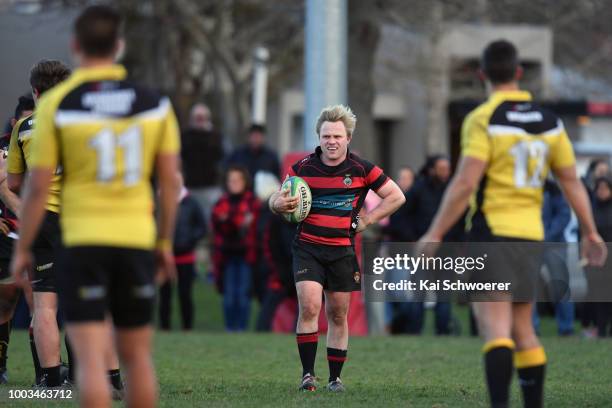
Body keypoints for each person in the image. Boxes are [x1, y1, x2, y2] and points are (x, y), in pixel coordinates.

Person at [418, 40, 605, 408]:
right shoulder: (549, 122)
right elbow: (570, 181)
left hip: (493, 234)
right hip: (530, 237)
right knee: (524, 331)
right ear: (519, 73)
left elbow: (466, 181)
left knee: (496, 329)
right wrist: (590, 230)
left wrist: (436, 232)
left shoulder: (484, 119)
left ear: (482, 75)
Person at [10, 5, 180, 407]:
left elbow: (34, 188)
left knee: (86, 359)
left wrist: (22, 246)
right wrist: (166, 243)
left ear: (76, 46)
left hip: (81, 236)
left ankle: (51, 379)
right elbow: (170, 183)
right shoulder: (153, 103)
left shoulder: (56, 108)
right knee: (137, 357)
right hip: (135, 236)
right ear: (118, 47)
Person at [268, 105, 405, 392]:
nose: (331, 141)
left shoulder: (361, 169)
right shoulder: (303, 168)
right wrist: (276, 204)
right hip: (308, 248)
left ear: (348, 138)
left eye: (337, 136)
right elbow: (278, 198)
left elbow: (396, 196)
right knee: (309, 306)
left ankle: (335, 379)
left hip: (342, 250)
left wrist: (368, 218)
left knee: (338, 314)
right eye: (326, 135)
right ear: (319, 137)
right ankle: (307, 375)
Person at [8, 60, 72, 389]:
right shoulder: (84, 124)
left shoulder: (25, 127)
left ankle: (50, 380)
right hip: (82, 217)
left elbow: (14, 183)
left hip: (43, 218)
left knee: (45, 303)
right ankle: (94, 374)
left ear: (35, 91)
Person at [402, 155, 459, 335]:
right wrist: (412, 239)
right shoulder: (417, 190)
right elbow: (402, 216)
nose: (445, 173)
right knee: (418, 293)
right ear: (432, 169)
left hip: (446, 250)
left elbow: (459, 220)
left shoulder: (452, 190)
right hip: (421, 249)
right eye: (441, 169)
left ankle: (443, 332)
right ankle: (414, 332)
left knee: (444, 294)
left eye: (447, 169)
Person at [0, 94, 35, 384]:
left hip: (39, 231)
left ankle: (48, 373)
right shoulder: (2, 152)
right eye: (25, 120)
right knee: (6, 300)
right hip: (7, 232)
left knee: (38, 301)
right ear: (14, 123)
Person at [211, 165, 260, 332]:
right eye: (231, 180)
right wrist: (236, 223)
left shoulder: (253, 202)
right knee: (229, 295)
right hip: (226, 255)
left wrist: (230, 221)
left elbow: (255, 227)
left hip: (247, 255)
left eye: (237, 180)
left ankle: (242, 329)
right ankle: (230, 328)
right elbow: (219, 225)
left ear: (244, 182)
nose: (234, 183)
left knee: (243, 294)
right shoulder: (222, 202)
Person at [158, 172, 206, 331]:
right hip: (165, 256)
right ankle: (165, 328)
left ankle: (187, 328)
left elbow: (202, 227)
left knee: (185, 294)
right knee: (164, 296)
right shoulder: (160, 201)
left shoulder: (191, 203)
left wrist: (190, 240)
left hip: (185, 257)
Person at [180, 103, 225, 224]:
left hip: (211, 186)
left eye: (202, 117)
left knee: (211, 219)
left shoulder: (216, 136)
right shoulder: (185, 137)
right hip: (191, 186)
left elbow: (222, 158)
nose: (199, 121)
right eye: (197, 118)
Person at [591, 174, 612, 337]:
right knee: (599, 296)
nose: (602, 192)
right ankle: (601, 330)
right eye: (599, 188)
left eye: (605, 188)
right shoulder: (591, 209)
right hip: (597, 258)